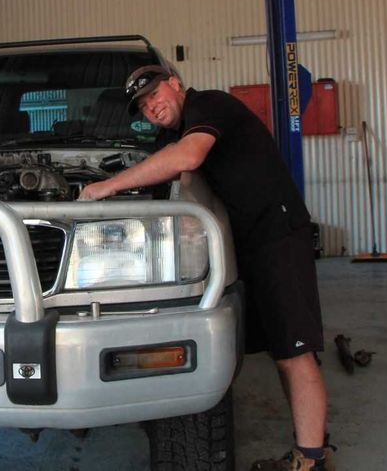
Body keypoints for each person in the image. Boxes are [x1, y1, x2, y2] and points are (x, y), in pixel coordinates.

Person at [79, 66, 333, 471]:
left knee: (294, 353)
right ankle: (314, 443)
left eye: (154, 94)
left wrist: (107, 187)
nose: (151, 107)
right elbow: (168, 175)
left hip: (278, 235)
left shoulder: (210, 104)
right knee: (282, 350)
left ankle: (312, 459)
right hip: (248, 244)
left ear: (175, 84)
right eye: (142, 105)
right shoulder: (169, 137)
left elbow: (189, 156)